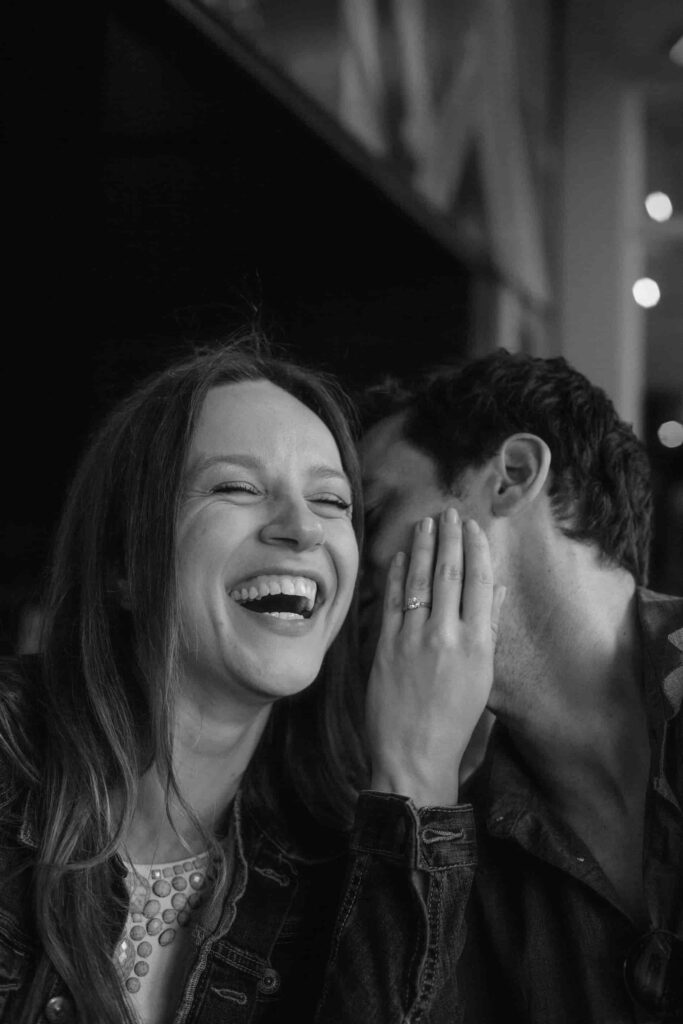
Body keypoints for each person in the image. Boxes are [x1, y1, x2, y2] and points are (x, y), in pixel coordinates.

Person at [0, 338, 502, 1024]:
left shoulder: (334, 867)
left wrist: (416, 777)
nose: (301, 529)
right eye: (236, 486)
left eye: (331, 501)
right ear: (122, 561)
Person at [350, 348, 683, 1023]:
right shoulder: (460, 835)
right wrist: (411, 780)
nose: (347, 567)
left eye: (373, 514)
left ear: (513, 475)